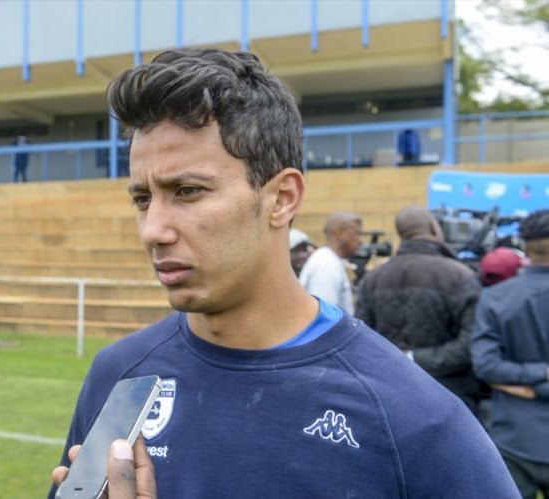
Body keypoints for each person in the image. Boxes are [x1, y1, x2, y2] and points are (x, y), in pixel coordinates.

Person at [49, 48, 518, 498]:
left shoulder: (415, 418)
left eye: (188, 191)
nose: (153, 230)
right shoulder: (120, 375)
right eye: (142, 199)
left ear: (282, 199)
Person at [355, 205, 484, 414]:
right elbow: (473, 343)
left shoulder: (373, 278)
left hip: (389, 395)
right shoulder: (461, 276)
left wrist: (404, 359)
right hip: (451, 399)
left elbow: (361, 340)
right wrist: (412, 358)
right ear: (434, 229)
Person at [471, 209, 549, 499]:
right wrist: (543, 375)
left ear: (525, 248)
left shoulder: (496, 298)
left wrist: (536, 383)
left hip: (515, 436)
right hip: (516, 439)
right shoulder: (496, 299)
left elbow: (487, 366)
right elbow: (486, 365)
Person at [298, 210, 362, 314]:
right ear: (340, 233)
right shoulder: (326, 265)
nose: (360, 240)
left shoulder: (329, 260)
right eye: (357, 233)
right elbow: (323, 320)